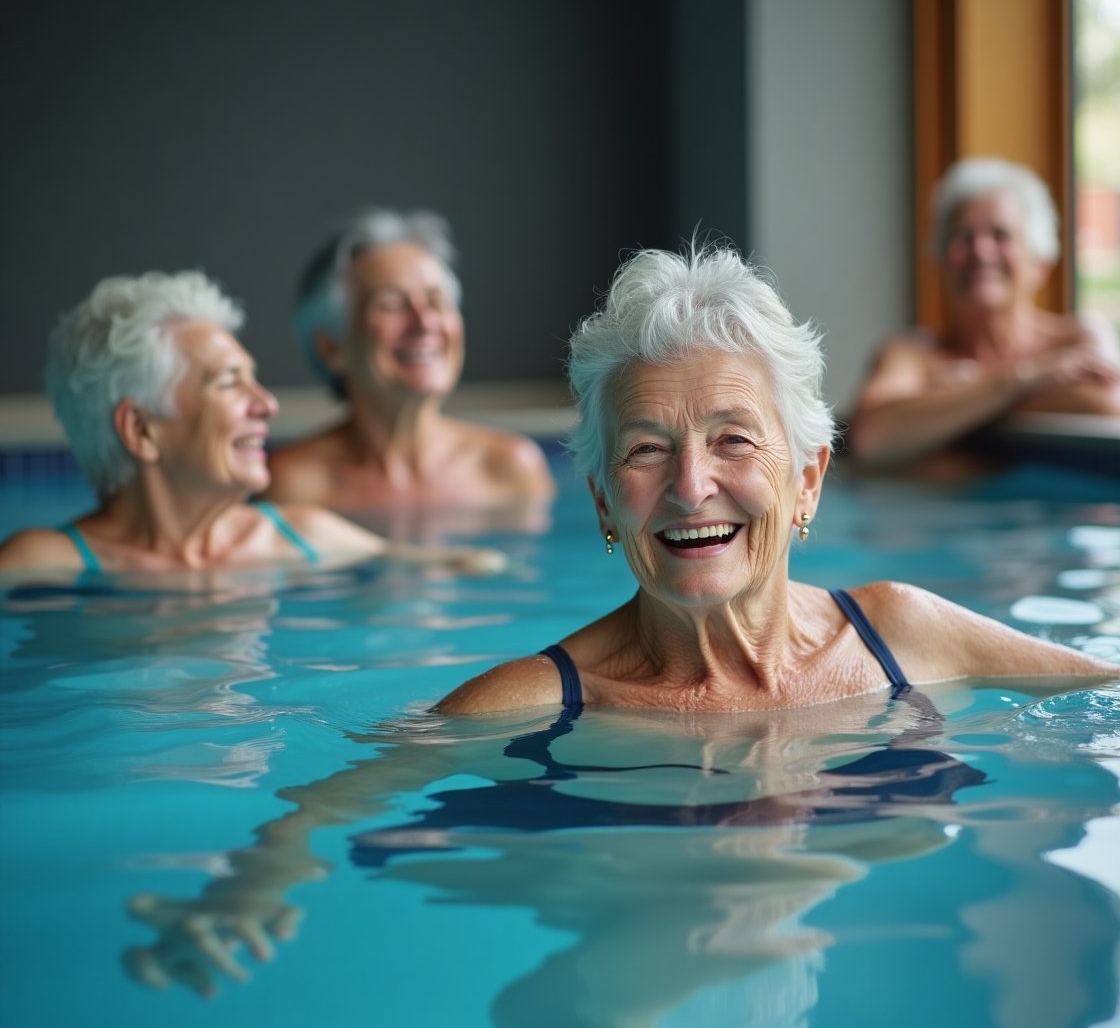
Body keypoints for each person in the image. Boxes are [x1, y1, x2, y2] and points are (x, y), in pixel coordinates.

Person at [432, 241, 1118, 715]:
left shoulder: (905, 637)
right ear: (603, 502)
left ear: (809, 480)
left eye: (733, 440)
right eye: (646, 449)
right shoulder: (523, 708)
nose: (690, 486)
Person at [0, 271, 505, 575]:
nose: (266, 404)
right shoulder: (39, 566)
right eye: (229, 382)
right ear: (141, 429)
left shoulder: (303, 537)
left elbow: (466, 565)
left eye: (254, 379)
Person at [263, 208, 556, 514]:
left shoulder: (509, 469)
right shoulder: (294, 486)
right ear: (332, 348)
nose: (424, 322)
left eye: (436, 301)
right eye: (391, 304)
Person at [846, 156, 1120, 473]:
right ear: (941, 260)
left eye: (1001, 235)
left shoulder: (1079, 336)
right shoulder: (910, 353)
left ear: (1040, 264)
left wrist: (960, 396)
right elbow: (871, 438)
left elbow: (1108, 402)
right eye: (963, 236)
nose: (980, 251)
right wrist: (1019, 380)